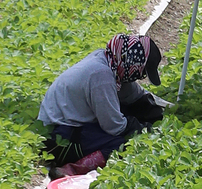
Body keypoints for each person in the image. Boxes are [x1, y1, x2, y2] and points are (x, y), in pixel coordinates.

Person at [39, 33, 164, 177]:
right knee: (122, 144)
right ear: (132, 63)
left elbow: (135, 95)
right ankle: (70, 170)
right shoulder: (101, 76)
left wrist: (159, 111)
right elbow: (114, 126)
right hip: (60, 136)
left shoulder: (110, 60)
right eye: (141, 73)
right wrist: (142, 130)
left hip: (72, 124)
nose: (139, 77)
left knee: (129, 111)